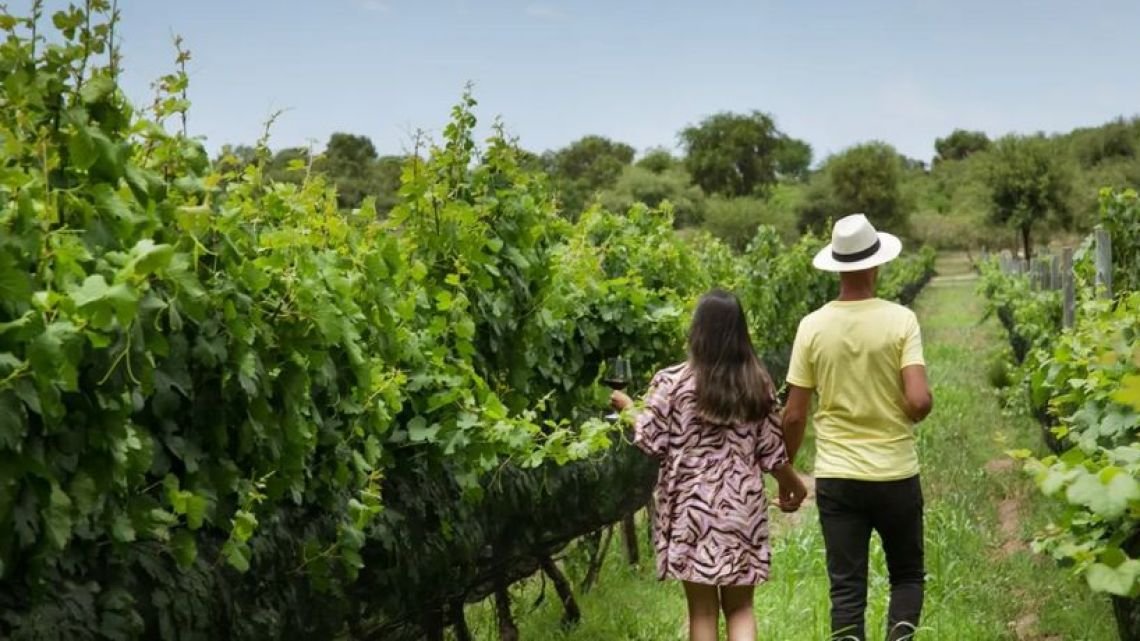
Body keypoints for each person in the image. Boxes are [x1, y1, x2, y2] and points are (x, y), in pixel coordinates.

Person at [611, 289, 809, 641]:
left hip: (691, 508)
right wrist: (793, 483)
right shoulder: (756, 383)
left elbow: (649, 439)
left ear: (697, 331)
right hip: (741, 508)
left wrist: (628, 407)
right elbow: (771, 451)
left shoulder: (671, 382)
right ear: (740, 334)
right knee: (741, 608)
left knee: (701, 610)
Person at [781, 214, 934, 641]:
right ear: (875, 265)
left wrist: (787, 473)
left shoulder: (812, 326)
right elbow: (918, 400)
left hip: (837, 476)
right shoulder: (900, 320)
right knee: (907, 576)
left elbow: (793, 415)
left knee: (846, 590)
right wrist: (910, 409)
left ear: (837, 266)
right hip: (895, 472)